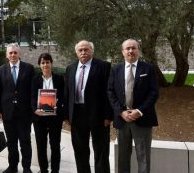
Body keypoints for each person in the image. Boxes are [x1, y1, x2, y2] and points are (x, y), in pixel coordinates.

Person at [107, 39, 159, 173]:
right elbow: (110, 91)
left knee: (144, 158)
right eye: (127, 48)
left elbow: (154, 93)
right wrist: (121, 112)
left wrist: (139, 111)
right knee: (123, 158)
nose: (131, 51)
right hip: (122, 120)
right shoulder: (116, 69)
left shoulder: (148, 68)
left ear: (138, 51)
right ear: (122, 52)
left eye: (133, 48)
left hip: (142, 119)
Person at [64, 40, 113, 173]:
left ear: (92, 51)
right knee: (80, 150)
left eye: (86, 49)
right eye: (80, 50)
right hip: (77, 114)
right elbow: (67, 93)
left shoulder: (104, 66)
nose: (83, 52)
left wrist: (108, 115)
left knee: (101, 150)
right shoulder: (70, 68)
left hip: (98, 115)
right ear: (76, 52)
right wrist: (67, 115)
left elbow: (109, 92)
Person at [0, 43, 35, 173]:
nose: (13, 55)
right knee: (11, 142)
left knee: (25, 141)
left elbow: (33, 91)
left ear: (19, 54)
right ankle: (12, 167)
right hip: (8, 113)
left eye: (15, 52)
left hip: (25, 113)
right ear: (7, 55)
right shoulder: (1, 70)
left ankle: (27, 167)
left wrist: (33, 109)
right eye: (10, 53)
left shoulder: (29, 68)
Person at [31, 53, 65, 173]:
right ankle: (43, 169)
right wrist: (35, 109)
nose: (45, 64)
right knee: (41, 146)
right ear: (40, 65)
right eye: (43, 62)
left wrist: (58, 105)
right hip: (39, 118)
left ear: (51, 63)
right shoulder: (34, 79)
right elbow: (32, 97)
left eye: (47, 62)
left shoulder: (59, 79)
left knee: (55, 146)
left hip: (55, 118)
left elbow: (64, 97)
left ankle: (55, 170)